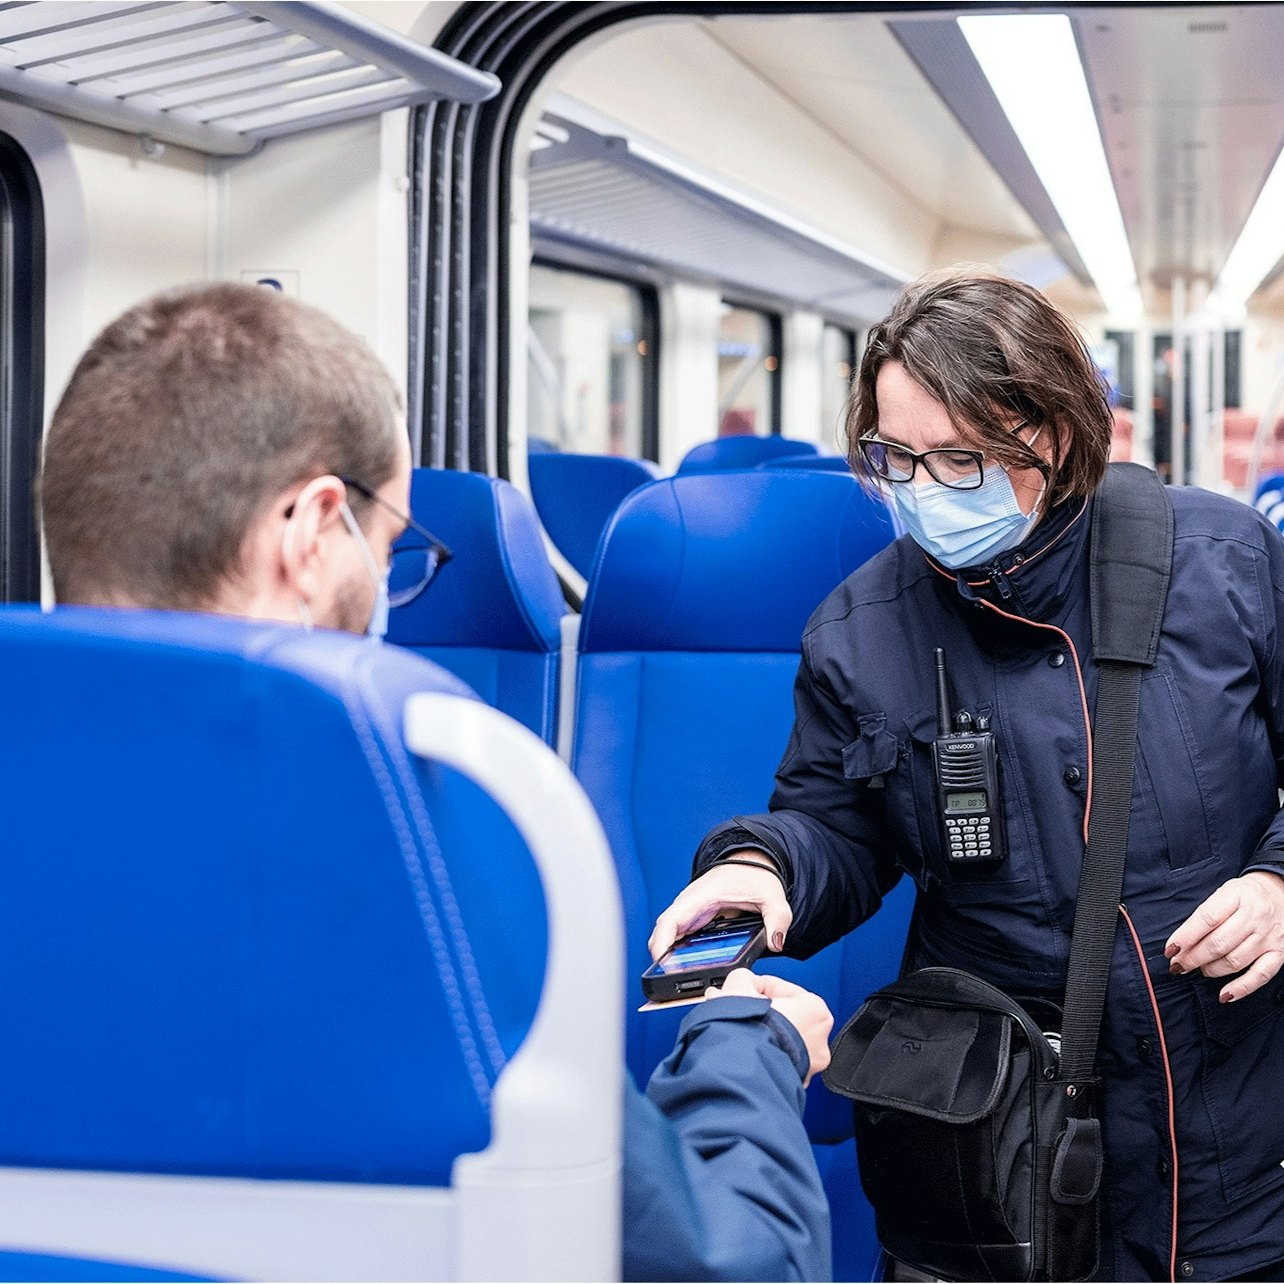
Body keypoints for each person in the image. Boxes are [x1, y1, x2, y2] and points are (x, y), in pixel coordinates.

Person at [39, 282, 834, 1283]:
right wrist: (748, 1045)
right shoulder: (400, 853)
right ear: (315, 530)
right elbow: (728, 1265)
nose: (389, 588)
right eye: (390, 547)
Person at [651, 267, 1284, 1283]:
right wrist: (763, 870)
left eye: (963, 460)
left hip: (1230, 1132)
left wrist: (1278, 885)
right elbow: (840, 826)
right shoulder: (862, 631)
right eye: (896, 457)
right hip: (993, 1132)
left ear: (1058, 438)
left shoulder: (1222, 559)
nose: (926, 489)